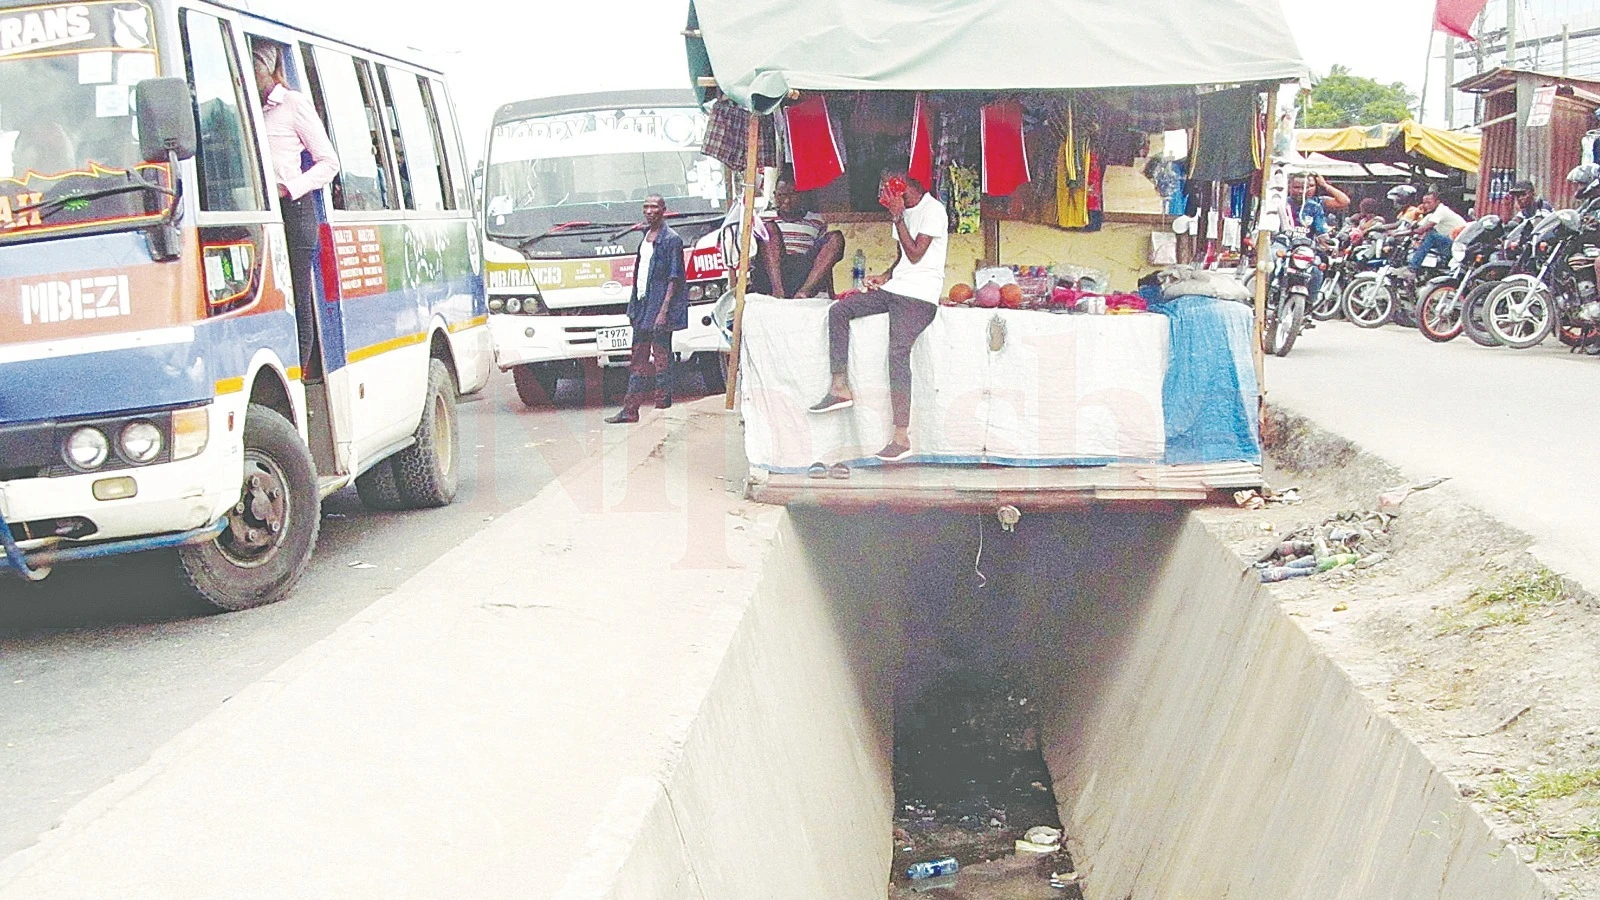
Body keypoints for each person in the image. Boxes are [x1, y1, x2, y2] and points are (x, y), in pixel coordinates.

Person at [808, 169, 947, 463]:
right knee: (840, 310)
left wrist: (897, 217)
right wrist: (885, 275)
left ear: (900, 186)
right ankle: (839, 387)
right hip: (897, 288)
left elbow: (916, 255)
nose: (880, 195)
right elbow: (901, 259)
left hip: (920, 296)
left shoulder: (933, 210)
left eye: (885, 188)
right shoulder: (902, 212)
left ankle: (901, 437)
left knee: (897, 354)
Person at [252, 40, 338, 379]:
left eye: (256, 71)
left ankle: (299, 375)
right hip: (259, 212)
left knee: (298, 297)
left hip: (293, 208)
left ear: (269, 70)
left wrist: (291, 186)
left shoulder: (292, 104)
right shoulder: (244, 106)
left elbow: (329, 162)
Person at [605, 194, 686, 424]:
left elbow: (674, 278)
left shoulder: (671, 240)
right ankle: (630, 409)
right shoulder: (645, 238)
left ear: (664, 210)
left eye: (654, 207)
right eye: (646, 207)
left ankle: (663, 409)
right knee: (638, 358)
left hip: (659, 307)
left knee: (661, 358)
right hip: (642, 305)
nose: (649, 211)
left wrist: (664, 311)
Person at [754, 179, 846, 298]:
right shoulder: (764, 218)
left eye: (793, 195)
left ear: (802, 195)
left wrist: (830, 292)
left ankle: (804, 292)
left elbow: (824, 259)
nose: (787, 201)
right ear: (775, 196)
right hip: (773, 273)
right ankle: (778, 292)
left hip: (803, 272)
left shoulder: (817, 220)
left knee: (836, 238)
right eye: (782, 195)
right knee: (769, 229)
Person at [1408, 191, 1466, 275]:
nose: (1426, 205)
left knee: (1432, 235)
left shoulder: (1441, 211)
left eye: (1429, 203)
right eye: (1424, 203)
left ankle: (1412, 268)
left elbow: (1422, 230)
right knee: (1425, 238)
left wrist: (1398, 234)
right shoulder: (1431, 215)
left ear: (1437, 202)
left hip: (1458, 248)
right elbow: (1418, 227)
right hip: (1450, 244)